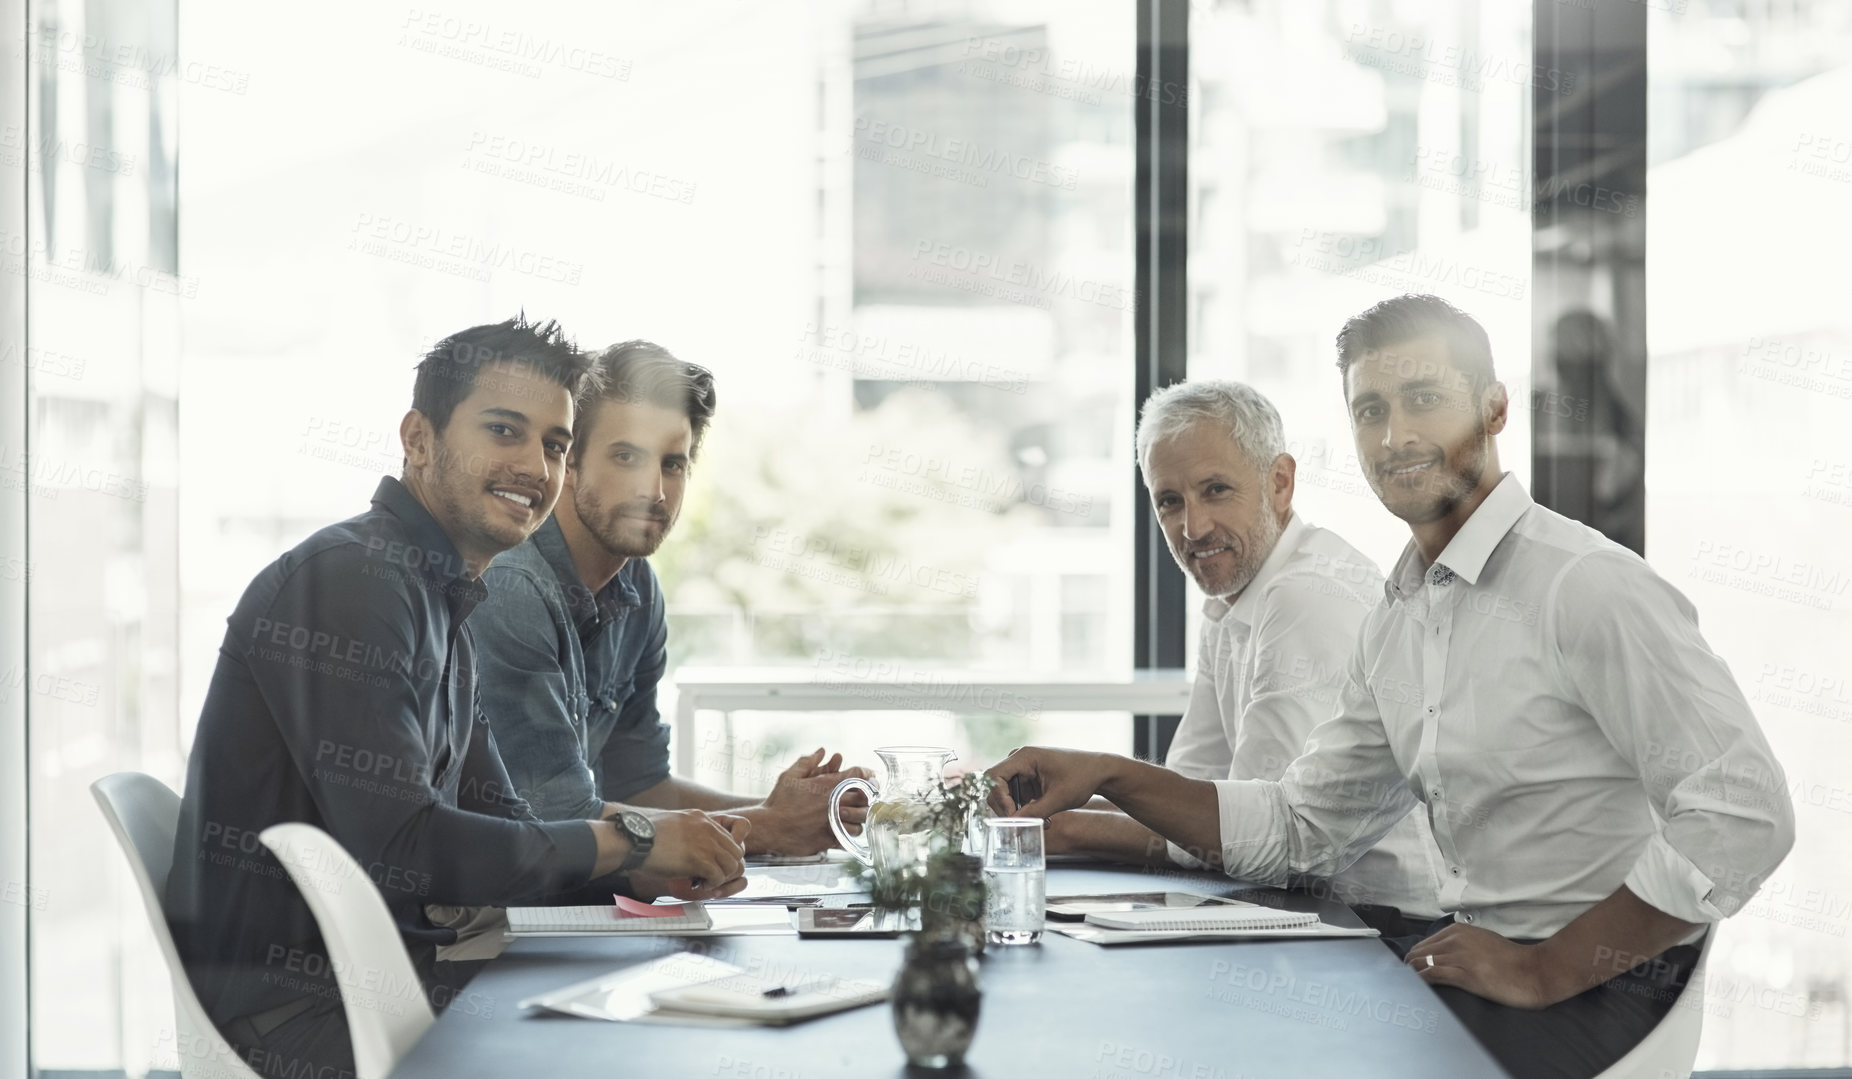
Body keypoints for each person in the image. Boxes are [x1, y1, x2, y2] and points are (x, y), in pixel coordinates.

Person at [988, 294, 1794, 1079]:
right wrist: (1106, 773)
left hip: (1590, 995)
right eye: (1370, 410)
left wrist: (1546, 968)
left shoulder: (1583, 584)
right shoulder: (1400, 618)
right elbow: (1303, 823)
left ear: (1493, 409)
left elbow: (1745, 809)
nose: (1395, 433)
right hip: (1474, 960)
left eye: (1423, 400)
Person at [166, 318, 750, 1079]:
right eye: (504, 430)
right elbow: (409, 850)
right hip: (304, 1017)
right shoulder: (348, 582)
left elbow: (508, 828)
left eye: (553, 444)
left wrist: (650, 865)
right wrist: (637, 841)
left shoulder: (445, 598)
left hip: (406, 977)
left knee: (684, 1017)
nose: (535, 466)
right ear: (418, 438)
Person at [1046, 379, 1441, 919]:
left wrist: (1069, 824)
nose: (1193, 527)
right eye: (1169, 501)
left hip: (1382, 933)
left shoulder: (1305, 596)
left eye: (1215, 490)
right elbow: (1189, 799)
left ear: (1280, 482)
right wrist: (1047, 804)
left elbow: (1258, 844)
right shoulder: (1234, 600)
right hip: (1303, 916)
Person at [472, 339, 866, 855]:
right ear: (567, 461)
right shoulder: (511, 585)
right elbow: (556, 817)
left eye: (673, 463)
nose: (654, 491)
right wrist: (769, 827)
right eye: (627, 456)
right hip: (482, 910)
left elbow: (640, 787)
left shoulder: (637, 586)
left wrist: (799, 817)